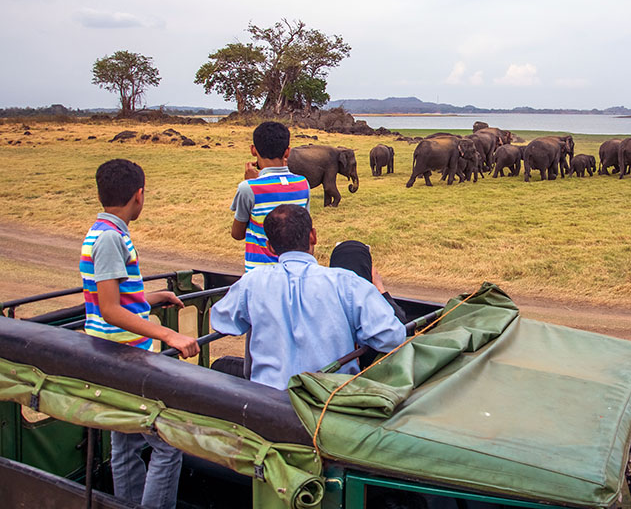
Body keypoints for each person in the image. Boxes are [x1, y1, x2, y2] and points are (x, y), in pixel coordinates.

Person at [80, 158, 200, 509]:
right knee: (168, 443)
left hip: (114, 350)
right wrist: (167, 334)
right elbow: (110, 309)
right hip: (124, 354)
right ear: (139, 195)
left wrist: (150, 298)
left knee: (127, 443)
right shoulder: (109, 239)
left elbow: (115, 298)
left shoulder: (106, 232)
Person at [211, 204, 407, 390]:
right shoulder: (348, 284)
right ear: (313, 236)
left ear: (270, 247)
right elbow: (393, 337)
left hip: (267, 403)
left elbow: (221, 321)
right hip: (328, 402)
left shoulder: (251, 283)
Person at [231, 121, 310, 272]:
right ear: (287, 152)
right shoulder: (303, 183)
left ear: (253, 150)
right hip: (295, 272)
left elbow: (237, 234)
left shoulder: (248, 188)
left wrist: (250, 181)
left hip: (259, 273)